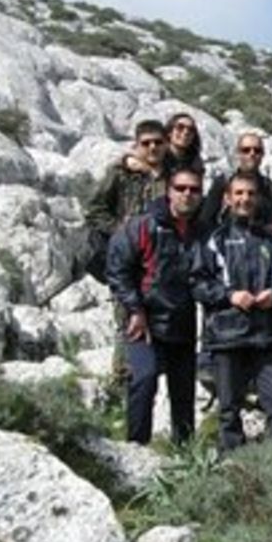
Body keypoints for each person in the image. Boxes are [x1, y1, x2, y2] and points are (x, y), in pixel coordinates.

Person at [191, 173, 272, 450]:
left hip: (265, 338)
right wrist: (229, 296)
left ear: (258, 198)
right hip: (226, 337)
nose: (244, 199)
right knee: (228, 410)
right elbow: (198, 284)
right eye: (238, 193)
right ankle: (233, 467)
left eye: (250, 193)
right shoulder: (213, 239)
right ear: (227, 197)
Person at [104, 166, 204, 445]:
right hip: (145, 321)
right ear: (169, 191)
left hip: (183, 322)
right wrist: (135, 309)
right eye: (181, 188)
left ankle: (184, 457)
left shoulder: (201, 230)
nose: (187, 194)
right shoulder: (143, 225)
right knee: (144, 381)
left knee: (183, 395)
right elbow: (117, 267)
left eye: (194, 190)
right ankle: (137, 447)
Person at [84, 119, 168, 278]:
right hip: (124, 252)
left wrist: (154, 176)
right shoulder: (121, 174)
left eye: (158, 142)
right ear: (136, 146)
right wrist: (119, 229)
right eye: (146, 143)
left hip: (158, 256)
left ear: (166, 145)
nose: (153, 147)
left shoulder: (173, 177)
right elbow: (94, 209)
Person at [199, 132, 272, 232]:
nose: (252, 154)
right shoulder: (223, 183)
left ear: (262, 154)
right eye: (246, 150)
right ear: (238, 153)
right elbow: (206, 220)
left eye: (257, 150)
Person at [163, 112, 204, 177]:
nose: (186, 132)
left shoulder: (196, 162)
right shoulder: (158, 158)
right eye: (180, 127)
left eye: (191, 129)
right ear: (169, 132)